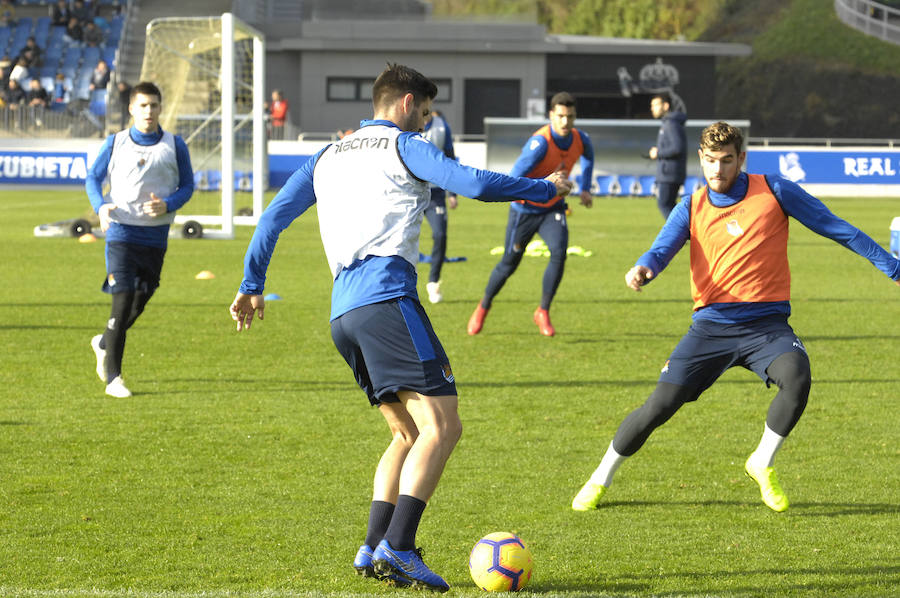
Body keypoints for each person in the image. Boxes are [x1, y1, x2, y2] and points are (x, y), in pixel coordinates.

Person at [229, 63, 571, 592]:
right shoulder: (403, 145)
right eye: (428, 111)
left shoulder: (326, 155)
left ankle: (371, 546)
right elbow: (474, 183)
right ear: (407, 102)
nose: (428, 121)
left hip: (343, 314)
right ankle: (401, 545)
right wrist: (541, 187)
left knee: (406, 433)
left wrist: (252, 282)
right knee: (443, 426)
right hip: (386, 298)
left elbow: (273, 217)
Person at [571, 121, 900, 514]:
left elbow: (837, 228)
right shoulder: (691, 207)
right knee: (657, 408)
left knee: (797, 378)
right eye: (710, 161)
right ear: (700, 159)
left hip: (767, 328)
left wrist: (892, 268)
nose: (717, 170)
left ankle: (761, 461)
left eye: (727, 161)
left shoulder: (775, 190)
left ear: (741, 159)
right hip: (711, 328)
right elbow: (660, 251)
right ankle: (600, 477)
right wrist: (643, 268)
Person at [86, 81, 194, 398]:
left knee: (141, 299)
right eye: (143, 105)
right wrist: (100, 206)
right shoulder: (116, 142)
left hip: (155, 237)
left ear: (160, 108)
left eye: (154, 105)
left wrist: (168, 204)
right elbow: (93, 176)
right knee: (122, 299)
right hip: (120, 232)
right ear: (132, 109)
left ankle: (104, 341)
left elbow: (188, 186)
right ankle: (114, 379)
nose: (149, 111)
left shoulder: (175, 145)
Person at [467, 91, 594, 337]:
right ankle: (483, 306)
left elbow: (588, 157)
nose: (566, 122)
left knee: (559, 253)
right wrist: (542, 188)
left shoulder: (581, 139)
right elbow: (515, 177)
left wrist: (586, 188)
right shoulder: (540, 144)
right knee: (508, 264)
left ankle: (542, 311)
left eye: (570, 116)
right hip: (524, 210)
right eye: (560, 116)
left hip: (553, 209)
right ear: (551, 116)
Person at [421, 109, 458, 304]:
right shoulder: (403, 124)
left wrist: (452, 192)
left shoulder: (443, 127)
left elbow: (450, 158)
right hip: (410, 192)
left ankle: (433, 282)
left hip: (435, 194)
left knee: (440, 235)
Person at [648, 92, 687, 219]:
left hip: (669, 174)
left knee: (664, 204)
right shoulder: (668, 123)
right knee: (669, 205)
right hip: (669, 173)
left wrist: (658, 153)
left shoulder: (671, 124)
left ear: (665, 106)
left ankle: (684, 234)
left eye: (655, 105)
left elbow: (677, 148)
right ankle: (686, 233)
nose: (652, 108)